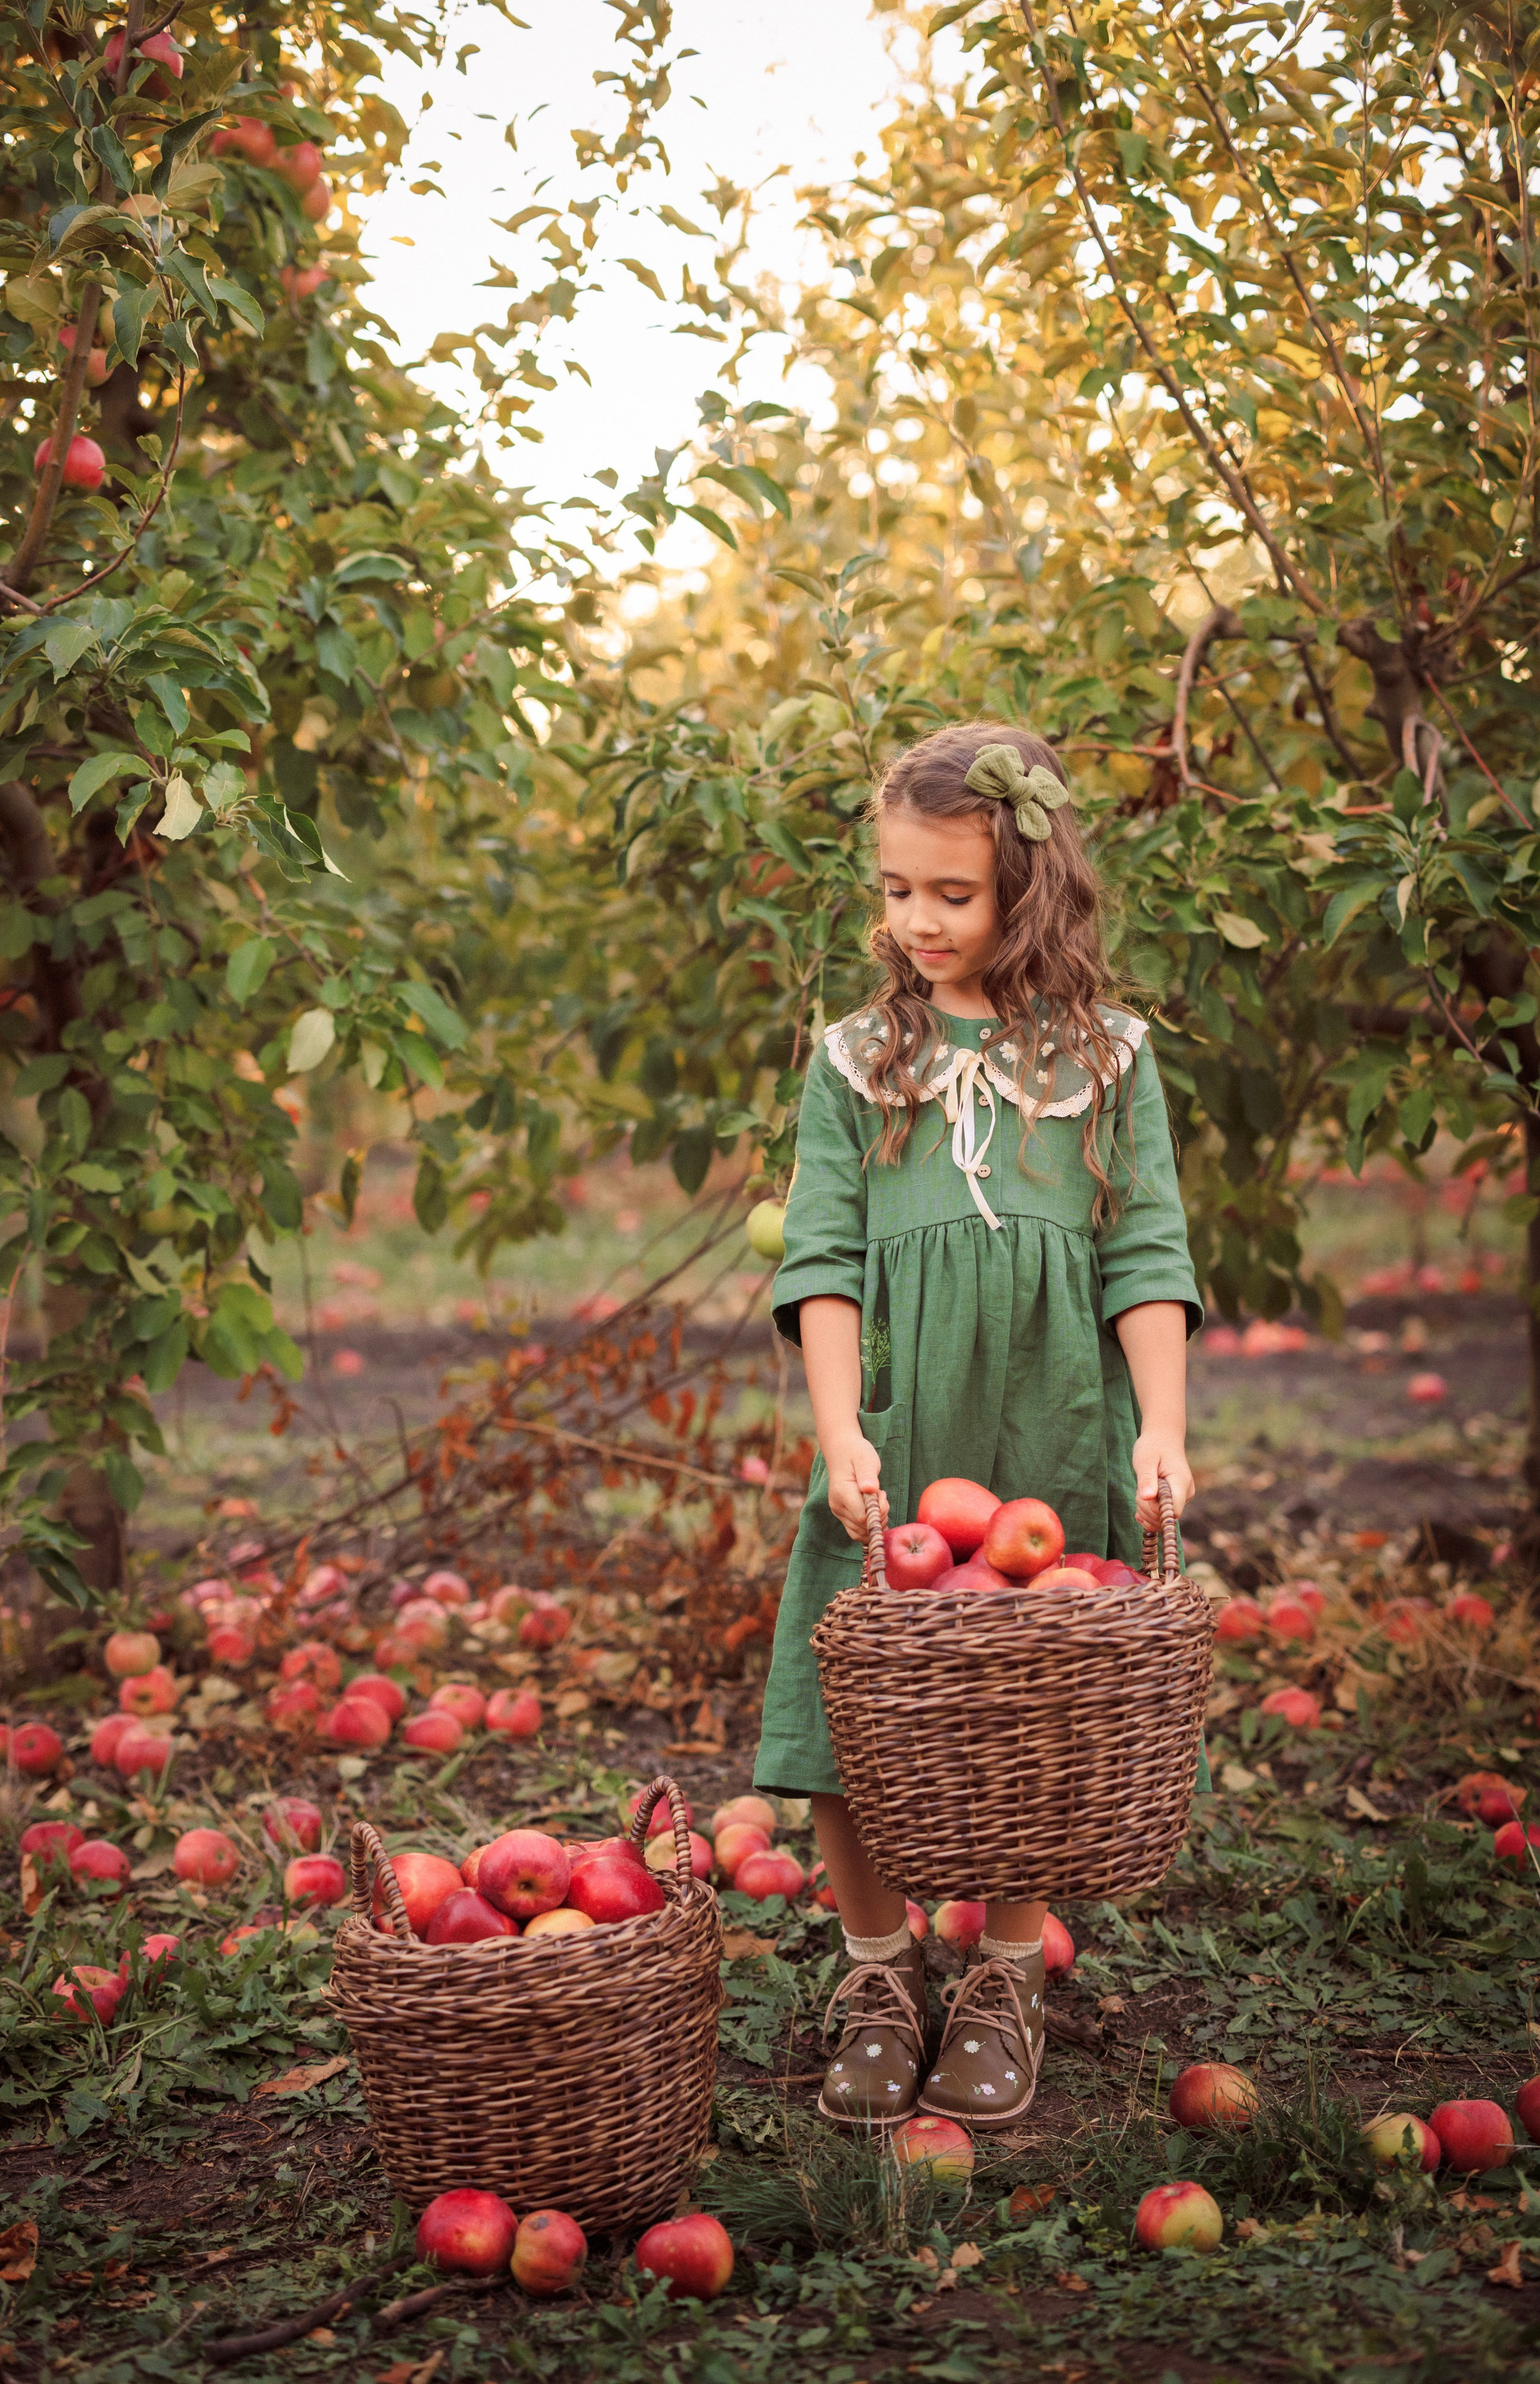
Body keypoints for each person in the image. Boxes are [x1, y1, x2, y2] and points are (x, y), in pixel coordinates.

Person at [753, 719, 1202, 2134]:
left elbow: (1145, 1259)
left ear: (1027, 884)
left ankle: (1005, 1971)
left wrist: (1160, 1429)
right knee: (846, 1698)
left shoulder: (1108, 1060)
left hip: (1053, 1412)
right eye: (894, 889)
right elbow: (820, 1257)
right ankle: (878, 1974)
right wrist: (840, 1435)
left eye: (950, 892)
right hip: (901, 1423)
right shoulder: (856, 1057)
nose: (916, 920)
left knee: (1036, 1705)